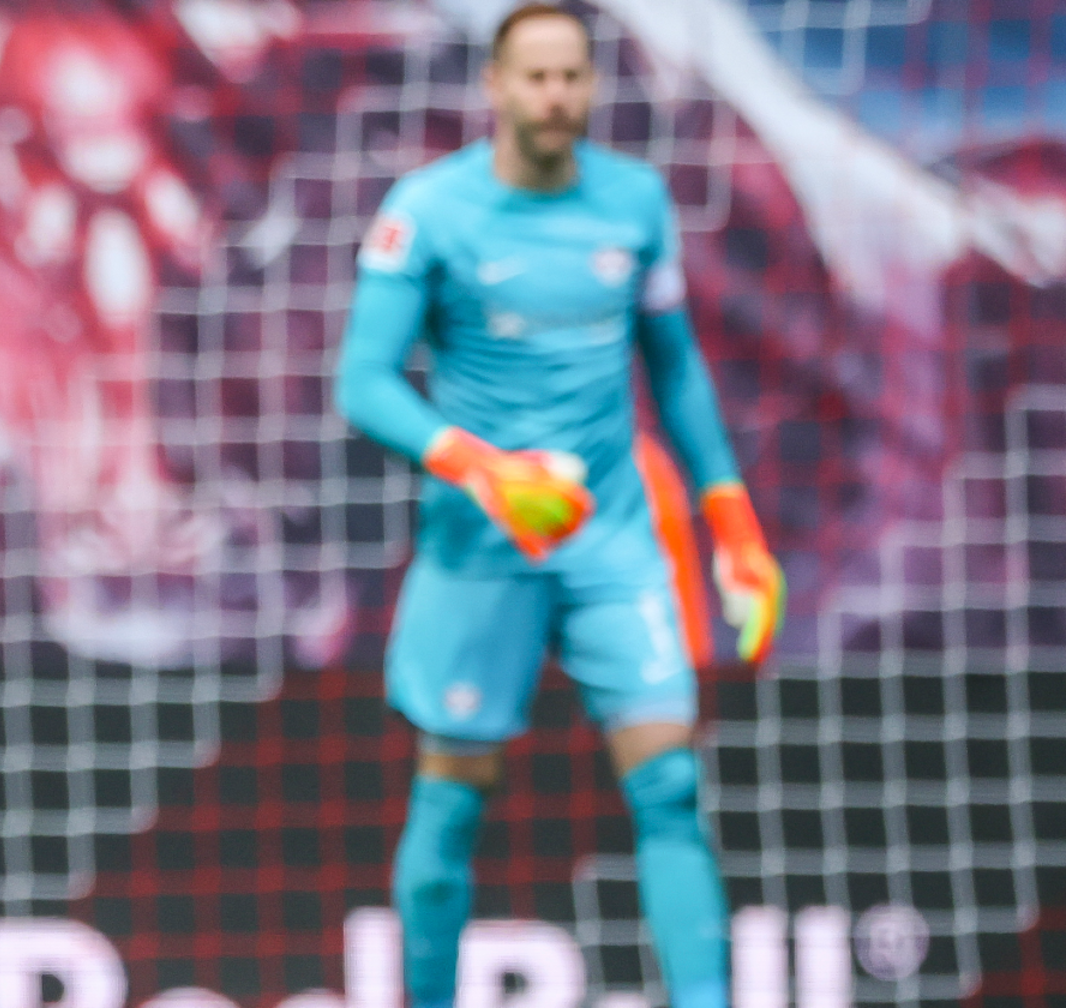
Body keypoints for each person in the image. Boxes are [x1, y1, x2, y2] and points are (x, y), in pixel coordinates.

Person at [333, 6, 784, 1007]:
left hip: (612, 540)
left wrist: (734, 526)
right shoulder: (430, 211)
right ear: (494, 85)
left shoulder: (635, 203)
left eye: (572, 76)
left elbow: (676, 371)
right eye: (535, 76)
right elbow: (362, 383)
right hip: (479, 548)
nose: (554, 95)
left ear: (592, 85)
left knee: (669, 785)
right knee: (452, 804)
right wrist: (483, 470)